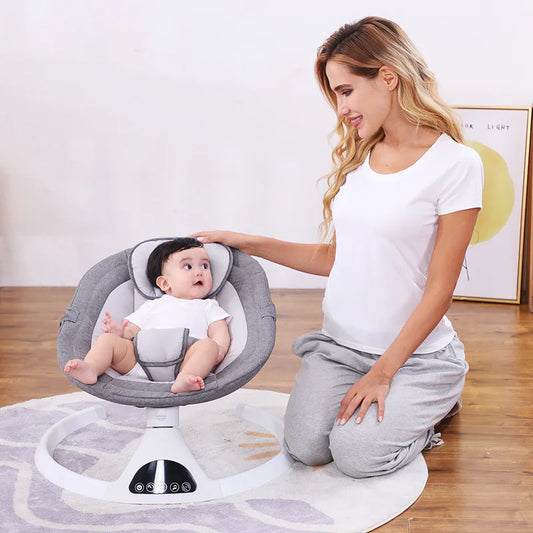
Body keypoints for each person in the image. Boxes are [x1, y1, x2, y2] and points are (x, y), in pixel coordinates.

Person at [193, 16, 483, 478]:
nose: (341, 108)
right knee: (307, 447)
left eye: (346, 91)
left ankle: (435, 404)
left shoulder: (456, 164)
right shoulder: (361, 156)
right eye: (335, 95)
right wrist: (250, 242)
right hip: (341, 347)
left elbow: (440, 290)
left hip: (415, 359)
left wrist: (383, 374)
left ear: (387, 76)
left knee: (357, 456)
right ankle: (391, 408)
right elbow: (337, 259)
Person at [64, 238, 231, 394]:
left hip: (186, 360)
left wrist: (219, 349)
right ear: (165, 283)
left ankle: (186, 377)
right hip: (139, 360)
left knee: (209, 346)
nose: (200, 272)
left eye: (205, 266)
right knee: (107, 341)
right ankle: (91, 367)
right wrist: (120, 334)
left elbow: (219, 331)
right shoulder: (152, 305)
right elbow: (132, 332)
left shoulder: (208, 306)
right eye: (188, 266)